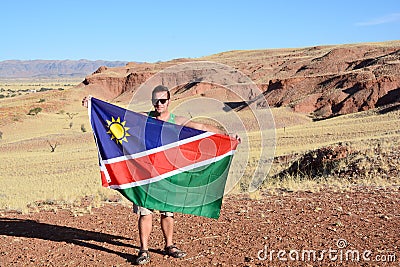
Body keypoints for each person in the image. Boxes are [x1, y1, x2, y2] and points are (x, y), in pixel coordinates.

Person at [82, 85, 240, 265]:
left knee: (168, 212)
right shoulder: (144, 118)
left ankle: (169, 245)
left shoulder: (176, 121)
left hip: (167, 176)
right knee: (145, 212)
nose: (159, 104)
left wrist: (227, 136)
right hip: (145, 175)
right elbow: (117, 115)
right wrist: (93, 105)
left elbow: (202, 127)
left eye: (163, 101)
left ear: (169, 102)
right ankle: (144, 249)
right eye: (155, 101)